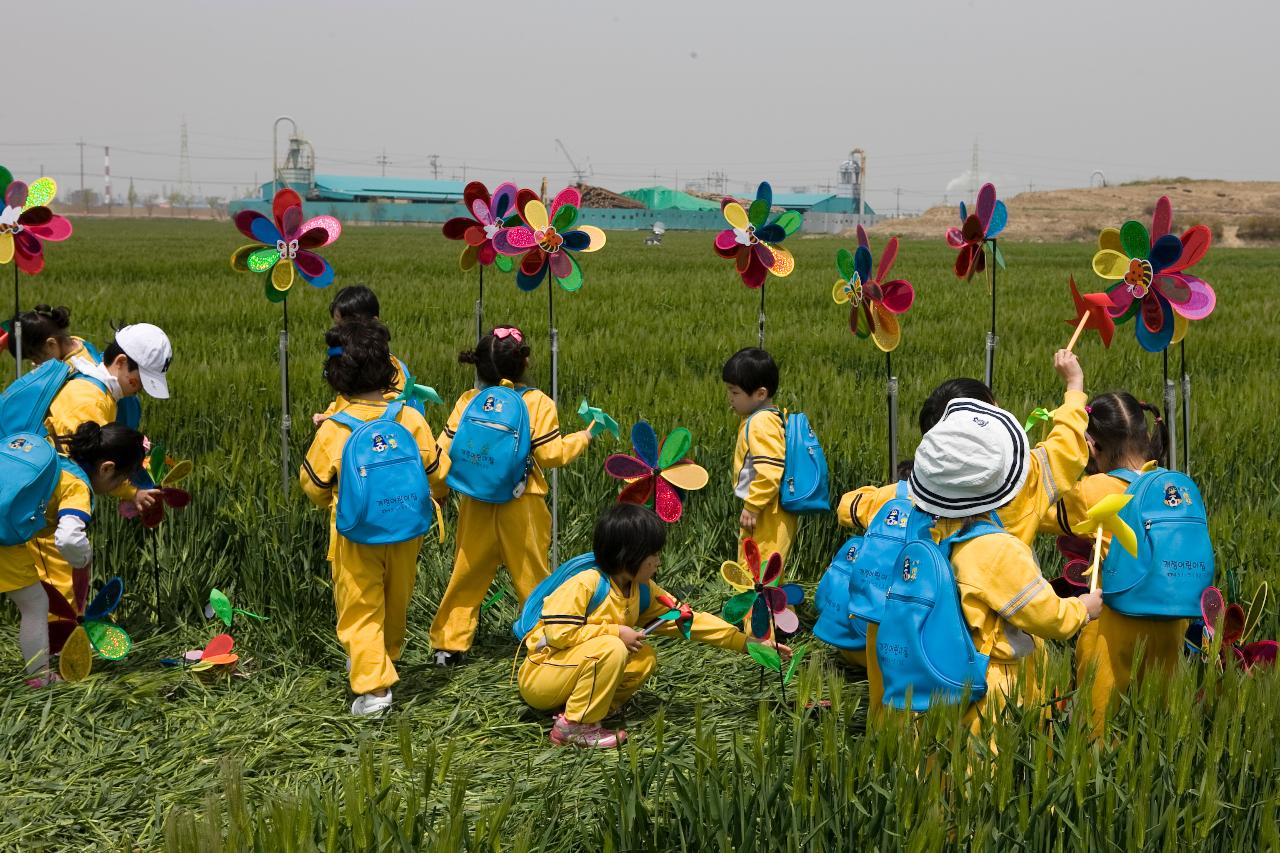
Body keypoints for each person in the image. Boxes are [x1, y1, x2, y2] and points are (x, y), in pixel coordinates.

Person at [518, 503, 789, 748]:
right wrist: (615, 631)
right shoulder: (586, 583)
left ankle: (587, 709)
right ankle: (573, 728)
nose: (659, 561)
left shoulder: (641, 590)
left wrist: (748, 643)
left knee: (643, 657)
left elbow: (689, 620)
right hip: (542, 676)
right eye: (654, 554)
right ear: (629, 555)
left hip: (572, 672)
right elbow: (559, 635)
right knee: (613, 647)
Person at [906, 398, 1102, 729]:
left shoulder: (930, 533)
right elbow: (1044, 613)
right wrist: (1083, 609)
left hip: (938, 673)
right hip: (990, 683)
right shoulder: (996, 550)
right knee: (985, 769)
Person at [299, 319, 450, 716]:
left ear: (337, 376)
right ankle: (384, 657)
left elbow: (313, 486)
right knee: (395, 600)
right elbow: (436, 474)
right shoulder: (409, 418)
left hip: (354, 535)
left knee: (360, 607)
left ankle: (374, 688)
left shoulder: (335, 428)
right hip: (407, 531)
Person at [430, 326, 596, 666]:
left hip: (476, 500)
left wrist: (439, 493)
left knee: (467, 571)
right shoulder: (538, 403)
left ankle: (448, 645)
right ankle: (542, 639)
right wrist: (582, 438)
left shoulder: (468, 401)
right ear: (525, 363)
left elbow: (442, 452)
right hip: (522, 502)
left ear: (479, 366)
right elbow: (551, 456)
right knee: (532, 575)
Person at [1050, 392, 1184, 733]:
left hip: (1114, 627)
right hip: (1171, 624)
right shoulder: (1174, 486)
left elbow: (1031, 504)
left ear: (1093, 447)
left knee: (1098, 736)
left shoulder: (1093, 491)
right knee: (1160, 736)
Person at [1, 422, 144, 687]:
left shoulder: (59, 460)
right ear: (106, 468)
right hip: (4, 539)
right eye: (122, 478)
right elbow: (68, 538)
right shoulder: (78, 487)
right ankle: (39, 678)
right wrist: (82, 560)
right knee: (35, 605)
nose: (120, 485)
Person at [36, 323, 171, 603]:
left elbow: (75, 344)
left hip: (48, 500)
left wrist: (133, 492)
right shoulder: (89, 403)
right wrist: (131, 491)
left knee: (52, 592)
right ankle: (60, 645)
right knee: (62, 592)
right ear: (121, 362)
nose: (140, 390)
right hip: (49, 504)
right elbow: (89, 468)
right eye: (139, 381)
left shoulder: (92, 373)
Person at [722, 347, 796, 565]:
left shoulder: (761, 423)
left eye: (735, 393)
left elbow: (770, 471)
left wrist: (752, 506)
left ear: (760, 394)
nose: (730, 398)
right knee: (760, 565)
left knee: (758, 569)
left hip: (767, 511)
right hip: (768, 507)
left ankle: (760, 600)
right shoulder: (771, 417)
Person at [313, 285, 419, 425]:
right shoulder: (350, 361)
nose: (341, 332)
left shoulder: (388, 368)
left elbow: (383, 410)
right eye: (337, 326)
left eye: (348, 326)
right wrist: (330, 415)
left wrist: (338, 421)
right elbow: (348, 400)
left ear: (374, 322)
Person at [6, 304, 99, 367]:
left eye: (36, 358)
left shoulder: (72, 369)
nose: (34, 363)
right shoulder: (76, 342)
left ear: (51, 344)